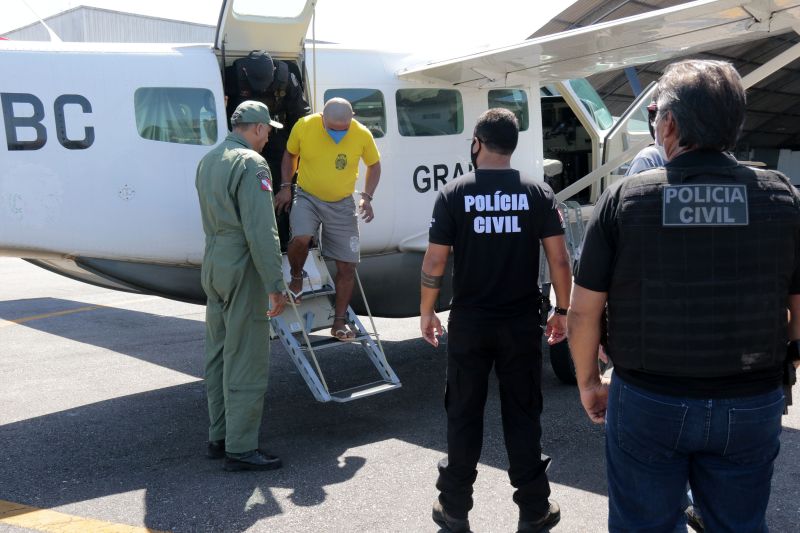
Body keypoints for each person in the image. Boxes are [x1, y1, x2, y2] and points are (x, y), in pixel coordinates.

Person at [567, 59, 800, 532]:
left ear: (669, 122)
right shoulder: (782, 198)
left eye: (655, 114)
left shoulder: (624, 200)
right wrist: (788, 358)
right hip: (752, 400)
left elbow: (583, 311)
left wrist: (590, 382)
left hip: (649, 399)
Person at [420, 108, 572, 533]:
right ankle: (533, 509)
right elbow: (559, 257)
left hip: (470, 323)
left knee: (463, 413)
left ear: (477, 142)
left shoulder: (454, 193)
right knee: (523, 414)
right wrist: (563, 310)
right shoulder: (537, 192)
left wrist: (427, 310)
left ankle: (454, 509)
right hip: (521, 323)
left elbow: (435, 259)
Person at [195, 100, 287, 472]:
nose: (267, 140)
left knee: (217, 353)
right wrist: (275, 283)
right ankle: (242, 446)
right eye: (268, 132)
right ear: (259, 128)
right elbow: (261, 231)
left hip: (214, 261)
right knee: (246, 356)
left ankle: (219, 436)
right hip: (242, 265)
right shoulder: (252, 164)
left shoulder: (210, 159)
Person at [276, 97, 381, 341]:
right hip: (308, 195)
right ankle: (296, 277)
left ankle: (339, 322)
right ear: (322, 118)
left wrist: (367, 196)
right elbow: (290, 155)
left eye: (343, 129)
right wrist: (285, 186)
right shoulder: (304, 125)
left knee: (347, 265)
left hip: (342, 202)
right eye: (332, 129)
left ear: (352, 118)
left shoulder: (362, 134)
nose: (338, 134)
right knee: (301, 238)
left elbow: (374, 166)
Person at [226, 50, 312, 249]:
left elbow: (300, 115)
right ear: (245, 70)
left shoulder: (286, 78)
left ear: (274, 70)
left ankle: (279, 240)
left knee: (278, 191)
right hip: (244, 137)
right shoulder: (233, 76)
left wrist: (296, 149)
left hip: (277, 138)